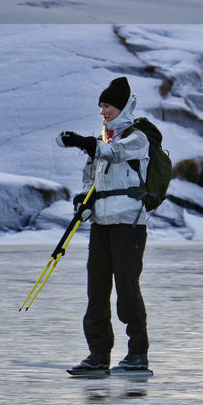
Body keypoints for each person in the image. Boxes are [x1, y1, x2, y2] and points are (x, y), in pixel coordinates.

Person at [56, 76, 152, 375]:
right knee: (96, 292)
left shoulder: (137, 138)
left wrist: (85, 143)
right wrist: (83, 204)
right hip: (101, 226)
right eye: (100, 106)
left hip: (128, 224)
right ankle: (98, 355)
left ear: (122, 106)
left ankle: (137, 354)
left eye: (107, 105)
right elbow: (91, 180)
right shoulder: (102, 141)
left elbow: (116, 153)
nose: (103, 111)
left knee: (126, 290)